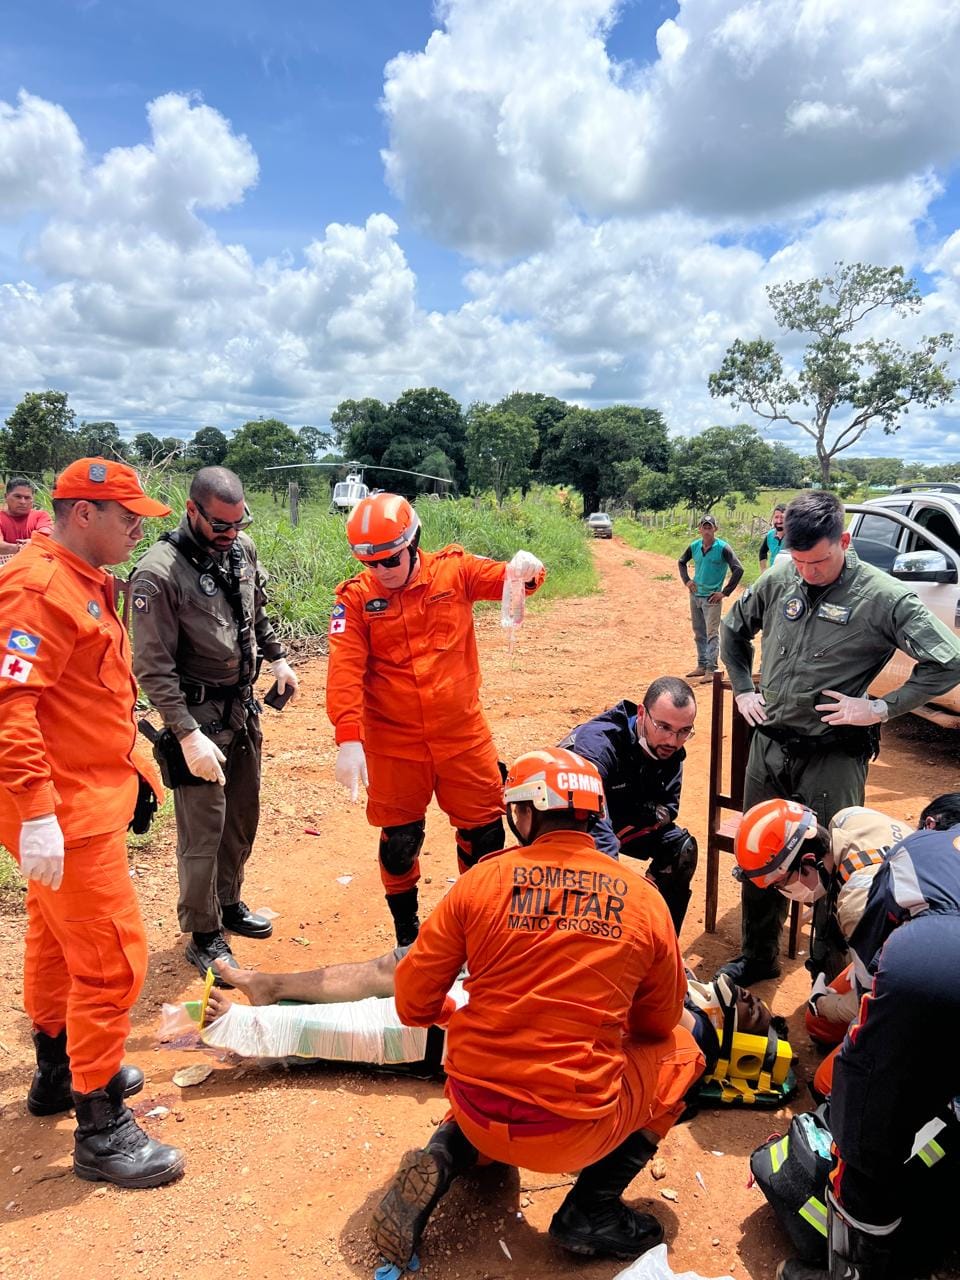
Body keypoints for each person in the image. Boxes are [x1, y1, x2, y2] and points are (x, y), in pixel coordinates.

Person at [369, 747, 703, 1269]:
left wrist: (458, 1013)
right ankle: (590, 1210)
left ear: (524, 814)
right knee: (687, 1051)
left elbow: (411, 1003)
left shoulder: (479, 882)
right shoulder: (643, 901)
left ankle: (446, 1151)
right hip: (570, 1134)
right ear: (593, 815)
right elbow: (657, 1024)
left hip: (475, 1104)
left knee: (492, 1048)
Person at [0, 457, 184, 1187]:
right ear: (82, 514)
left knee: (53, 943)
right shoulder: (38, 589)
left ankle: (56, 1072)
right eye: (127, 515)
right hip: (62, 812)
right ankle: (101, 1124)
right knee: (111, 962)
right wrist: (38, 813)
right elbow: (11, 708)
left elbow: (84, 699)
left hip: (78, 800)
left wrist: (137, 758)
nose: (138, 527)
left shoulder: (79, 581)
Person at [718, 489, 960, 986]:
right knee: (761, 853)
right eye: (799, 560)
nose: (807, 571)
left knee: (831, 866)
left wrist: (879, 707)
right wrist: (743, 687)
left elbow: (949, 659)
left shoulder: (883, 596)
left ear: (845, 541)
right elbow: (733, 629)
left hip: (832, 756)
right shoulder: (782, 574)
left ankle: (826, 974)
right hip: (770, 747)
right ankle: (758, 953)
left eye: (819, 561)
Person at [326, 491, 545, 946]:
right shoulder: (355, 601)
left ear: (413, 541)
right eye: (373, 564)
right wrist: (349, 737)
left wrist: (527, 570)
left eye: (391, 559)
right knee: (401, 840)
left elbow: (514, 581)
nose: (382, 571)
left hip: (462, 736)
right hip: (394, 743)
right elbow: (344, 670)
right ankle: (407, 936)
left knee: (483, 833)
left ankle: (475, 929)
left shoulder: (455, 571)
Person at [131, 466, 299, 984]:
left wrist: (277, 658)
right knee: (202, 831)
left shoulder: (240, 550)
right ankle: (203, 933)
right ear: (192, 511)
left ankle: (228, 904)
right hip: (196, 718)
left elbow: (255, 613)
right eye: (220, 525)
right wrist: (184, 733)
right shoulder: (158, 575)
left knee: (240, 817)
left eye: (237, 521)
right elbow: (152, 667)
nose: (231, 533)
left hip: (241, 710)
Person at [775, 820, 960, 1280]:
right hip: (932, 968)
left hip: (934, 966)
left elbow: (874, 995)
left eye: (782, 882)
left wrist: (827, 1006)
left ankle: (857, 1272)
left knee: (859, 1121)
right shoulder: (883, 837)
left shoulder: (874, 881)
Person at [558, 676, 699, 932]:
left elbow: (668, 808)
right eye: (664, 727)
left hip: (619, 815)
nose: (672, 740)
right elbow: (585, 810)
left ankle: (658, 943)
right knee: (600, 872)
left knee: (680, 849)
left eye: (683, 731)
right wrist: (612, 876)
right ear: (642, 713)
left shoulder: (669, 749)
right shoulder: (599, 743)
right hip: (566, 819)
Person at [677, 514, 743, 683]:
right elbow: (682, 561)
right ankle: (701, 665)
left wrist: (725, 592)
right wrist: (687, 580)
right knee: (699, 632)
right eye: (704, 526)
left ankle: (711, 669)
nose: (707, 530)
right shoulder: (694, 546)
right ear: (699, 529)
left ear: (715, 529)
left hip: (712, 599)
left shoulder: (723, 548)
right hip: (695, 595)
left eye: (709, 527)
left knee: (711, 633)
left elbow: (738, 569)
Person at [0, 476, 53, 555]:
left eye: (27, 498)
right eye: (17, 496)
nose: (23, 502)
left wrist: (34, 542)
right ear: (6, 497)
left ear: (33, 499)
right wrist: (22, 547)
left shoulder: (41, 516)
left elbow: (46, 534)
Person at [758, 503, 787, 572]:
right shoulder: (770, 535)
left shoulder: (794, 536)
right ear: (773, 518)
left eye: (782, 517)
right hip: (773, 576)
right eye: (776, 517)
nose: (779, 521)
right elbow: (763, 552)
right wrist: (763, 570)